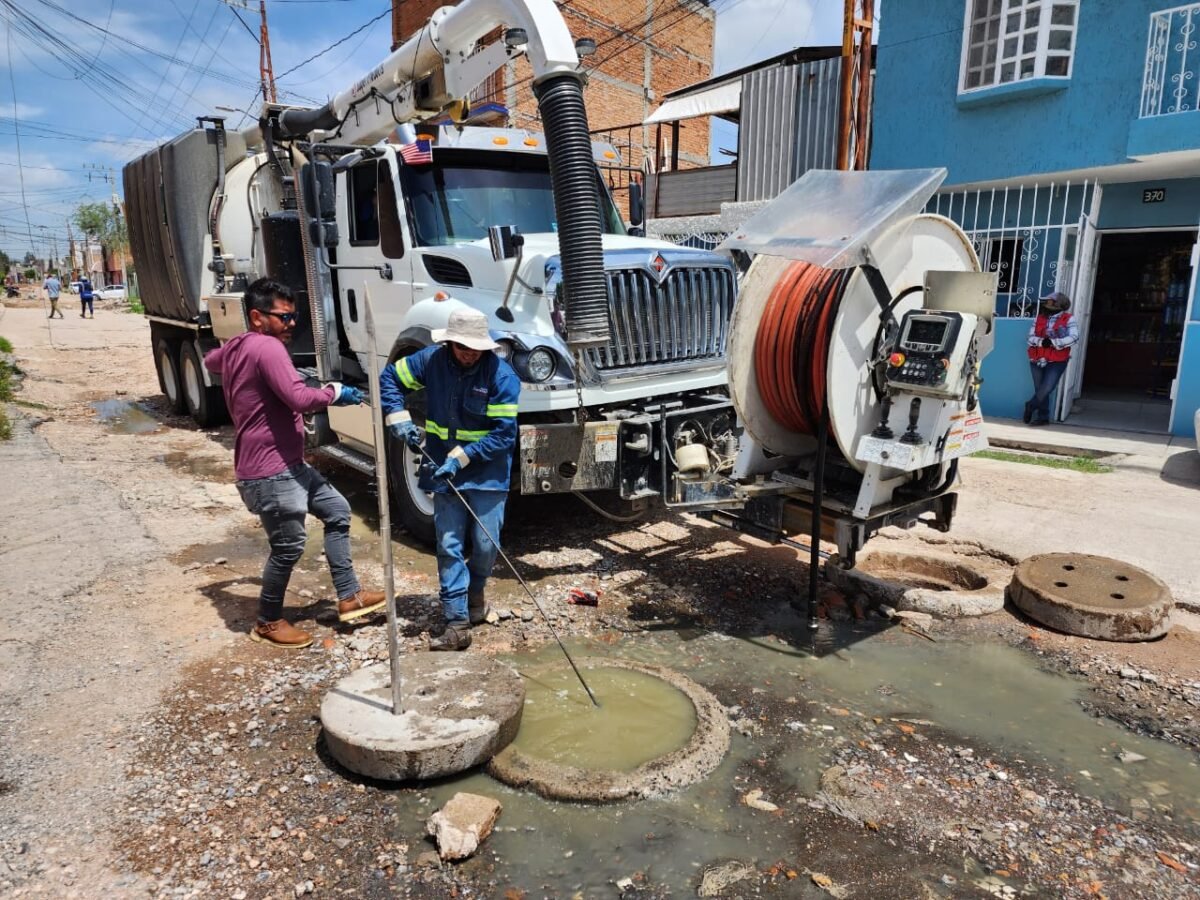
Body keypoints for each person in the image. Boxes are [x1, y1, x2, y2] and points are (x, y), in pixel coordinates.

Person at [204, 278, 386, 648]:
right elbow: (300, 399)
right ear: (257, 316)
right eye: (284, 318)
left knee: (336, 510)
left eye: (294, 318)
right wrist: (334, 392)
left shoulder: (241, 344)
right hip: (268, 471)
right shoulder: (268, 349)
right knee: (288, 546)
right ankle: (268, 621)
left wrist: (242, 350)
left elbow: (211, 360)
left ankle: (349, 596)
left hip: (288, 464)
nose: (291, 325)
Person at [380, 307, 520, 651]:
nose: (469, 354)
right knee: (449, 545)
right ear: (450, 343)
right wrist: (398, 417)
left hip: (487, 473)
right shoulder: (430, 361)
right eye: (462, 347)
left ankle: (475, 594)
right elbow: (390, 379)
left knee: (487, 546)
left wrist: (461, 458)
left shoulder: (502, 378)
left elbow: (504, 435)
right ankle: (457, 621)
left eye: (476, 348)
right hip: (443, 471)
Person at [1024, 291, 1078, 427]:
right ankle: (1043, 417)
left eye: (1049, 301)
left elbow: (1074, 337)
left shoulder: (1068, 319)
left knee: (1047, 387)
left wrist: (1054, 343)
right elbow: (1030, 337)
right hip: (1036, 358)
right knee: (1039, 388)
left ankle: (1031, 405)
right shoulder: (1039, 318)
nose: (1046, 303)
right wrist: (1042, 342)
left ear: (1058, 304)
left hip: (1057, 360)